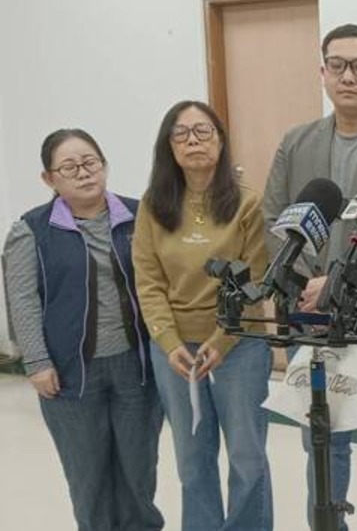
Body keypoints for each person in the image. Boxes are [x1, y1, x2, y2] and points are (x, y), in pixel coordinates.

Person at [262, 23, 357, 531]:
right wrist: (306, 284)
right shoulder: (297, 142)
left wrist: (343, 286)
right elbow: (274, 219)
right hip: (314, 316)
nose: (348, 76)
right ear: (323, 73)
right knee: (324, 439)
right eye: (337, 65)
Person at [2, 129, 164, 531]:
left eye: (90, 162)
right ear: (49, 178)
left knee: (139, 473)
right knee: (89, 478)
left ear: (104, 165)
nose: (84, 172)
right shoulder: (31, 230)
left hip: (136, 367)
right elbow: (22, 299)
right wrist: (37, 362)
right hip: (70, 373)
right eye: (69, 167)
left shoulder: (140, 216)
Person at [133, 100, 273, 531]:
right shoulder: (153, 206)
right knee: (192, 458)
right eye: (181, 133)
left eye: (203, 131)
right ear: (168, 146)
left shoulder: (247, 204)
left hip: (240, 344)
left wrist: (221, 340)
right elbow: (148, 282)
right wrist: (169, 342)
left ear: (221, 141)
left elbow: (256, 281)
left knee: (247, 456)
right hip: (175, 350)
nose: (193, 140)